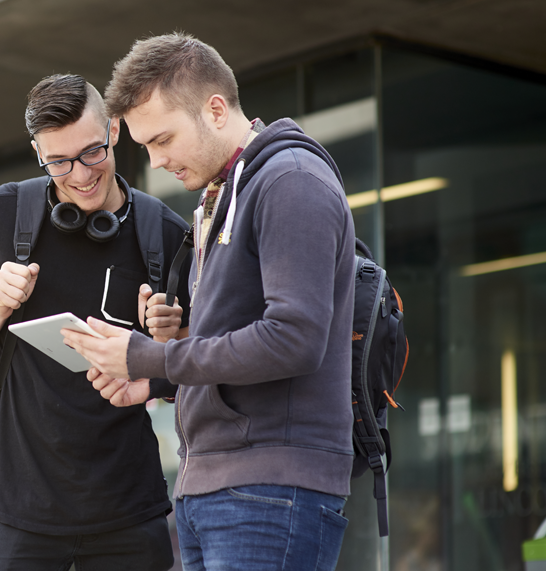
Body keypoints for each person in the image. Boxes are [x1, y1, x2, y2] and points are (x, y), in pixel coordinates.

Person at [62, 32, 356, 571]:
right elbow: (240, 347)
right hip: (220, 489)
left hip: (270, 489)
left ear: (215, 109)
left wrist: (147, 356)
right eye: (146, 146)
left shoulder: (290, 180)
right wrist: (157, 377)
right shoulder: (227, 193)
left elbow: (294, 340)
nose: (156, 161)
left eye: (163, 139)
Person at [0, 74, 192, 570]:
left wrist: (169, 335)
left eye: (93, 152)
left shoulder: (165, 232)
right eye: (58, 162)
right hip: (17, 509)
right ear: (38, 153)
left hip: (128, 511)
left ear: (114, 129)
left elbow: (197, 368)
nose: (80, 174)